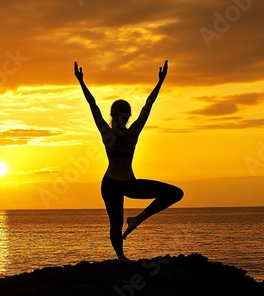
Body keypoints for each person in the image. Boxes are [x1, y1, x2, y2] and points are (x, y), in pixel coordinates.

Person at [74, 60, 184, 261]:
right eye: (121, 115)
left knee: (175, 193)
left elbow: (147, 106)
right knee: (115, 222)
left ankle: (137, 219)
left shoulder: (122, 132)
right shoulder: (116, 133)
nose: (122, 118)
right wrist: (81, 82)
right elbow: (93, 106)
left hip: (126, 184)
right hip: (112, 185)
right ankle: (121, 257)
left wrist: (160, 82)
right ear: (118, 116)